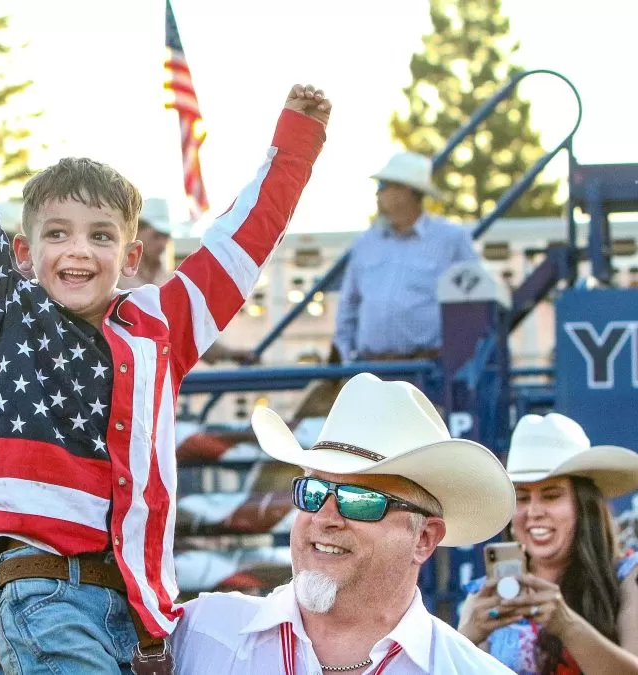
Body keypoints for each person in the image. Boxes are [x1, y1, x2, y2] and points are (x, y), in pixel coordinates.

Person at [0, 5, 329, 673]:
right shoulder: (5, 312)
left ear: (132, 253)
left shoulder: (161, 325)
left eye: (99, 235)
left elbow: (243, 244)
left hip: (140, 605)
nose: (77, 250)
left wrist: (295, 141)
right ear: (24, 253)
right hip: (46, 595)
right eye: (55, 233)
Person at [171, 372, 516, 673]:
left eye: (359, 501)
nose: (325, 517)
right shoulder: (197, 635)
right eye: (313, 491)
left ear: (425, 538)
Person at [457, 412, 638, 674]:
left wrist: (566, 626)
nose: (534, 512)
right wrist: (467, 637)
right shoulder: (484, 596)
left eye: (551, 496)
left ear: (584, 507)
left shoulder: (627, 577)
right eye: (522, 498)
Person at [333, 151, 478, 363]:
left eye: (383, 187)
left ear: (406, 191)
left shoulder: (451, 239)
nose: (378, 195)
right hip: (372, 367)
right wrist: (344, 357)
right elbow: (349, 304)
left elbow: (473, 301)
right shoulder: (365, 244)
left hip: (427, 369)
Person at [119, 200, 260, 366]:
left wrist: (229, 354)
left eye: (166, 237)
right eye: (157, 236)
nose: (163, 244)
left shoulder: (162, 279)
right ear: (136, 233)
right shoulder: (117, 278)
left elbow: (185, 329)